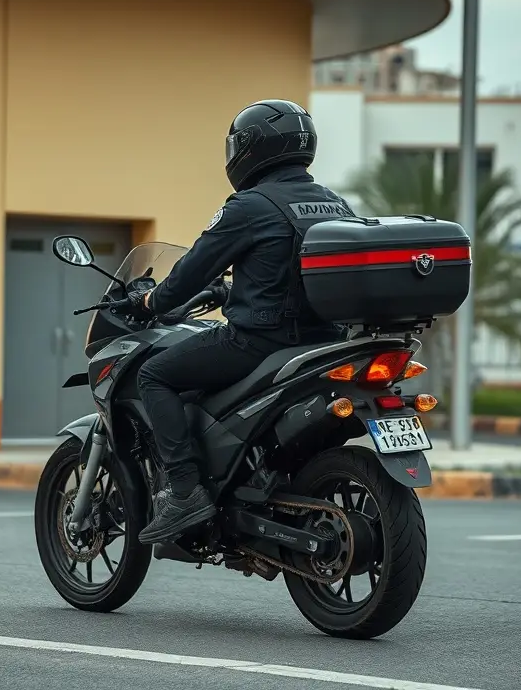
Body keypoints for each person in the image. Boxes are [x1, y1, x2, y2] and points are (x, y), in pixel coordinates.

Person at [126, 99, 356, 545]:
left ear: (249, 149)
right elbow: (296, 276)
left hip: (258, 343)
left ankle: (184, 490)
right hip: (324, 346)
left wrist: (152, 301)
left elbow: (190, 273)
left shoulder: (249, 206)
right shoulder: (336, 204)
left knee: (155, 374)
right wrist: (237, 292)